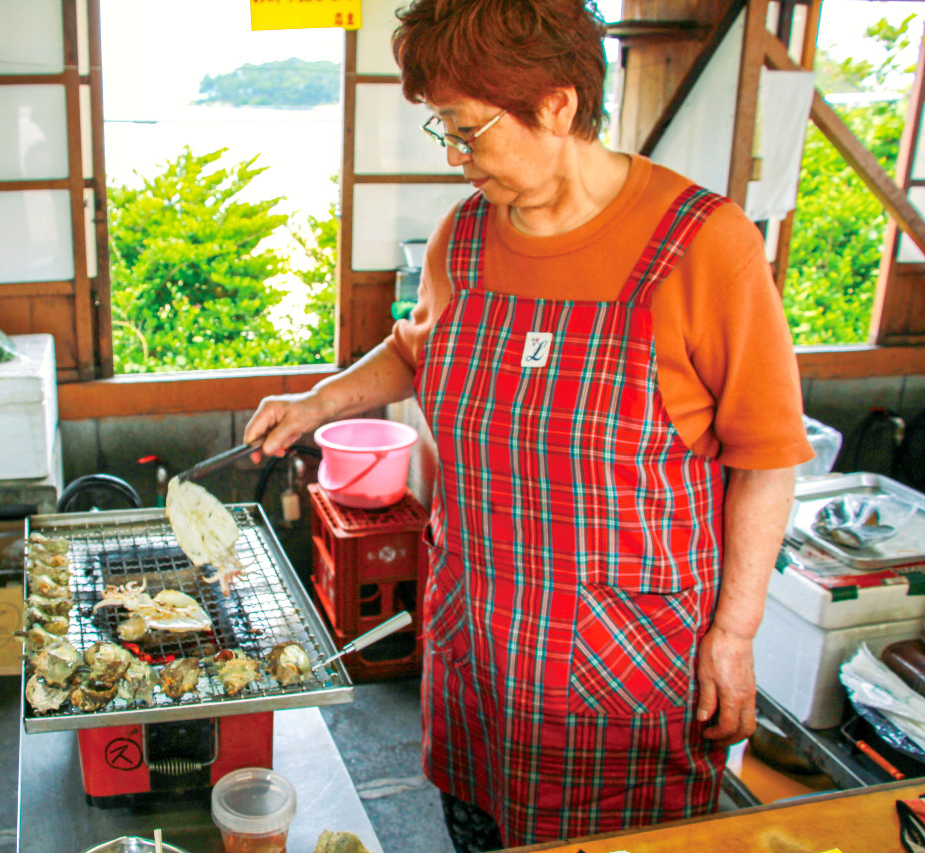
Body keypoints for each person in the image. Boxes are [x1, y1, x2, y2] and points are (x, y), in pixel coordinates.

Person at [244, 0, 815, 849]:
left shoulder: (704, 247)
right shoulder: (466, 236)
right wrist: (317, 403)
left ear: (556, 104)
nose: (454, 156)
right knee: (474, 829)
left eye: (468, 131)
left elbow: (766, 457)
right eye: (443, 127)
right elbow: (415, 350)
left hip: (625, 671)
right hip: (476, 651)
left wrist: (734, 634)